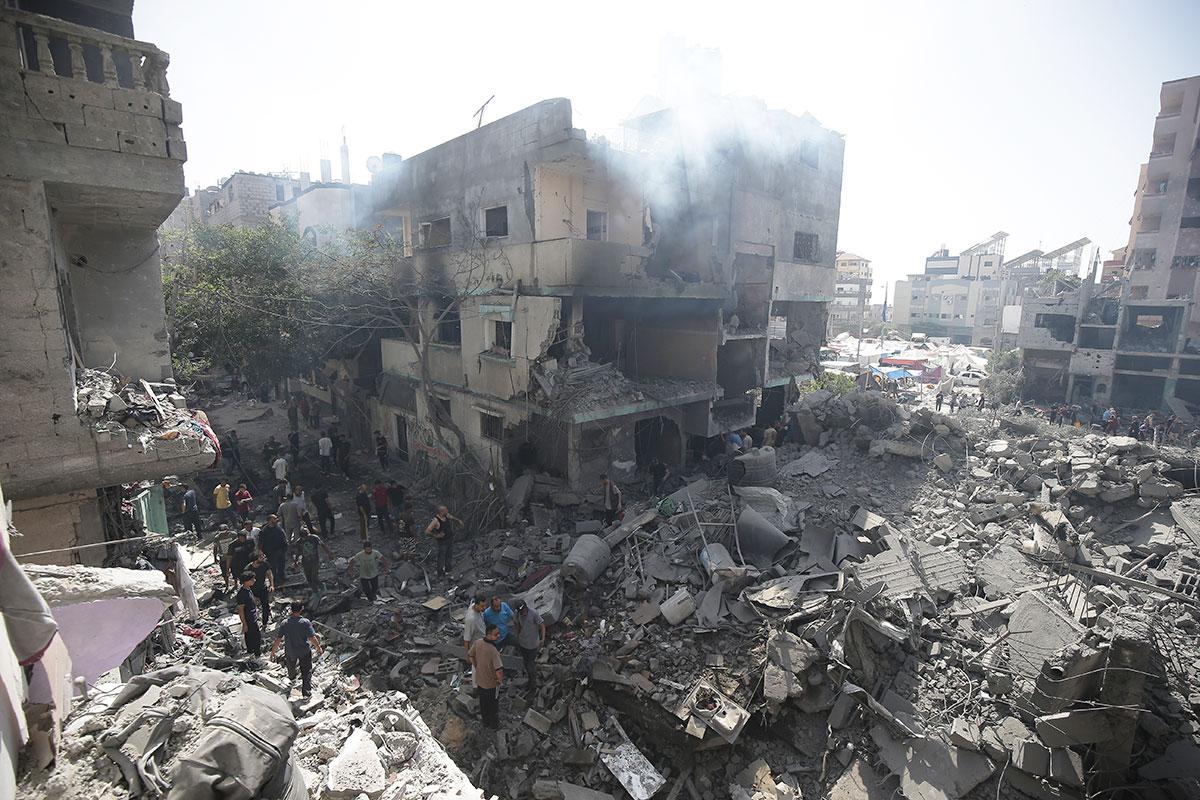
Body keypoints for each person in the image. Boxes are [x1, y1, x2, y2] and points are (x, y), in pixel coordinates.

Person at [271, 601, 322, 698]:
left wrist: (273, 651)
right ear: (301, 609)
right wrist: (318, 647)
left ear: (291, 610)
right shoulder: (305, 622)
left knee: (291, 667)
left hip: (290, 651)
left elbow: (278, 639)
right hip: (304, 651)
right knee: (306, 671)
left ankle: (292, 679)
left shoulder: (284, 623)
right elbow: (312, 638)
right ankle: (306, 693)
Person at [468, 624, 504, 729]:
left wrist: (476, 666)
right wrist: (499, 681)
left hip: (480, 681)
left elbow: (471, 655)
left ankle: (485, 722)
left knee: (483, 703)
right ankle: (494, 725)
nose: (498, 636)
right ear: (488, 635)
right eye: (496, 634)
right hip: (491, 685)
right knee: (493, 706)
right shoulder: (493, 651)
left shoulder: (478, 642)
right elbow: (499, 670)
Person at [513, 598, 545, 692]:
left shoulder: (533, 613)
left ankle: (533, 684)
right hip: (523, 643)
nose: (522, 612)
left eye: (523, 610)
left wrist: (542, 639)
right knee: (526, 663)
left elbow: (542, 625)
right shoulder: (517, 614)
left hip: (532, 645)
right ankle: (531, 679)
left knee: (531, 665)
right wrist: (518, 636)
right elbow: (517, 625)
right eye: (520, 611)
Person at [426, 505, 463, 577]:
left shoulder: (446, 516)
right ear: (442, 511)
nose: (447, 511)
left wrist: (458, 521)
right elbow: (427, 531)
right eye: (446, 510)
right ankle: (440, 572)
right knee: (442, 556)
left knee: (449, 554)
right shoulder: (435, 520)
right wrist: (436, 535)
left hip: (449, 539)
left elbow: (452, 518)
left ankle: (448, 569)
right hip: (442, 541)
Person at [298, 524, 334, 592]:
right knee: (309, 579)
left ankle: (322, 587)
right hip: (305, 562)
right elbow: (298, 552)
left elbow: (323, 545)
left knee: (314, 577)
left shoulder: (314, 538)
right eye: (304, 537)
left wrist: (329, 553)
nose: (306, 538)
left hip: (315, 560)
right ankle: (315, 591)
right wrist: (295, 561)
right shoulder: (299, 542)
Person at [235, 571, 262, 657]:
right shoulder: (241, 594)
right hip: (249, 619)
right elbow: (241, 610)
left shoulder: (248, 589)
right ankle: (255, 654)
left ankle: (253, 653)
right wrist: (244, 624)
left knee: (253, 636)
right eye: (252, 579)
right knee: (254, 637)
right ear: (246, 581)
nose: (254, 580)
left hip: (253, 617)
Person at [258, 514, 288, 588]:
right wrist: (261, 551)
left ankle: (282, 577)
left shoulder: (278, 528)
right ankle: (275, 580)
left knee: (282, 564)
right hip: (270, 552)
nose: (276, 520)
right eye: (274, 519)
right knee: (273, 567)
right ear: (269, 521)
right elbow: (261, 542)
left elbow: (283, 537)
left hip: (280, 549)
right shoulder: (264, 531)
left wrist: (285, 546)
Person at [250, 550, 275, 625]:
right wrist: (252, 596)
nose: (263, 557)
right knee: (251, 608)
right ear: (255, 559)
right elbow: (246, 584)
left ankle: (264, 623)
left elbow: (269, 573)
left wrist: (271, 585)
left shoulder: (265, 564)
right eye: (261, 556)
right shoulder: (248, 569)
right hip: (252, 590)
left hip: (262, 588)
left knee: (266, 607)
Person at [213, 524, 234, 591]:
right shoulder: (217, 538)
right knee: (224, 573)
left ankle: (236, 584)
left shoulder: (233, 535)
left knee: (235, 571)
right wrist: (215, 558)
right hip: (223, 558)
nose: (223, 534)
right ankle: (227, 585)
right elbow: (215, 548)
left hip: (233, 557)